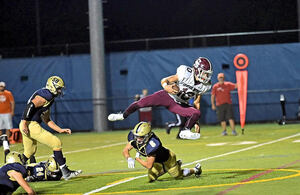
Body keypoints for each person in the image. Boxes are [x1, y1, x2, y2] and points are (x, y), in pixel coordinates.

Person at [108, 57, 213, 140]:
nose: (206, 76)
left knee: (197, 113)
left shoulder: (205, 86)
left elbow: (196, 102)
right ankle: (122, 115)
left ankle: (185, 131)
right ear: (196, 70)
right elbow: (165, 80)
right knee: (140, 103)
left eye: (207, 74)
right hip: (166, 96)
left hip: (178, 104)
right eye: (204, 73)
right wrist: (166, 87)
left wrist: (195, 122)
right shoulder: (185, 73)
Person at [19, 76, 82, 180]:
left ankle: (17, 171)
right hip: (30, 124)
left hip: (28, 124)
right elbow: (31, 105)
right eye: (58, 88)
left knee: (29, 152)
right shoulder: (46, 95)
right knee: (56, 142)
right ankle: (65, 172)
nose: (60, 91)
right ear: (52, 87)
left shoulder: (49, 98)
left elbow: (47, 119)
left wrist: (60, 129)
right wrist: (25, 122)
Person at [122, 122, 202, 182]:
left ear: (148, 135)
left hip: (168, 159)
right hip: (157, 162)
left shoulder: (153, 144)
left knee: (178, 176)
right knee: (151, 178)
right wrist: (128, 158)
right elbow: (126, 150)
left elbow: (149, 165)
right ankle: (169, 168)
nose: (138, 139)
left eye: (141, 137)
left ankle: (195, 170)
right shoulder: (134, 138)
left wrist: (137, 159)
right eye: (137, 136)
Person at [0, 81, 15, 146]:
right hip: (0, 113)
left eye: (2, 86)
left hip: (7, 113)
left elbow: (12, 102)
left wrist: (12, 111)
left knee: (8, 128)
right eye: (0, 86)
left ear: (4, 87)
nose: (1, 87)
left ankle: (7, 140)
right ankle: (1, 141)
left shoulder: (8, 93)